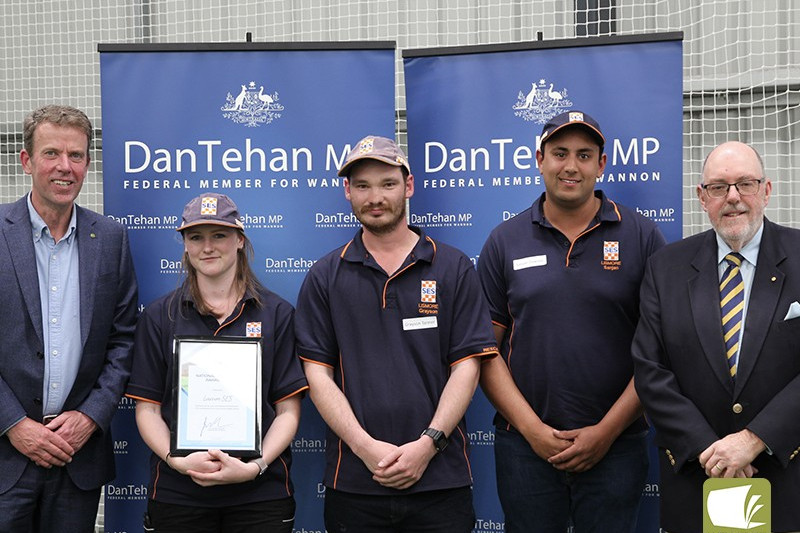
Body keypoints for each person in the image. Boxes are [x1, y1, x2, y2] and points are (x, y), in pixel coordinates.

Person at [294, 135, 499, 533]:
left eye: (387, 184)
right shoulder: (324, 276)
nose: (375, 197)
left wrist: (429, 445)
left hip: (441, 480)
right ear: (347, 192)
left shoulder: (453, 267)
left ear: (408, 186)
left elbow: (467, 366)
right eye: (363, 185)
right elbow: (318, 376)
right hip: (355, 483)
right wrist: (364, 448)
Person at [477, 110, 666, 532]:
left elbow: (658, 353)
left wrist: (606, 432)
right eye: (560, 153)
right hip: (523, 446)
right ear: (539, 158)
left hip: (618, 444)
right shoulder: (504, 240)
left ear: (601, 164)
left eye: (584, 155)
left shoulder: (641, 236)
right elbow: (484, 350)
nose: (571, 166)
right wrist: (533, 431)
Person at [632, 141, 800, 532]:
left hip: (785, 475)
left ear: (767, 190)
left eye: (746, 184)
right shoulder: (665, 268)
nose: (734, 197)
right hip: (695, 474)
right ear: (701, 196)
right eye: (719, 187)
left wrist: (755, 438)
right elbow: (650, 369)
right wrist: (711, 451)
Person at [126, 192, 308, 532]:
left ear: (240, 239)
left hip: (260, 495)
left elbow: (288, 411)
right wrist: (176, 461)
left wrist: (256, 466)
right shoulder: (158, 317)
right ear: (184, 245)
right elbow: (147, 410)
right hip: (179, 493)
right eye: (196, 237)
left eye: (219, 235)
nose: (207, 247)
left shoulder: (277, 314)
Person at [0, 105, 138, 532]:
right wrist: (13, 424)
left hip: (77, 453)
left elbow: (123, 340)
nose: (65, 167)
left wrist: (91, 416)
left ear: (88, 164)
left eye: (76, 156)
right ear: (26, 161)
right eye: (51, 153)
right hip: (6, 454)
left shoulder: (110, 238)